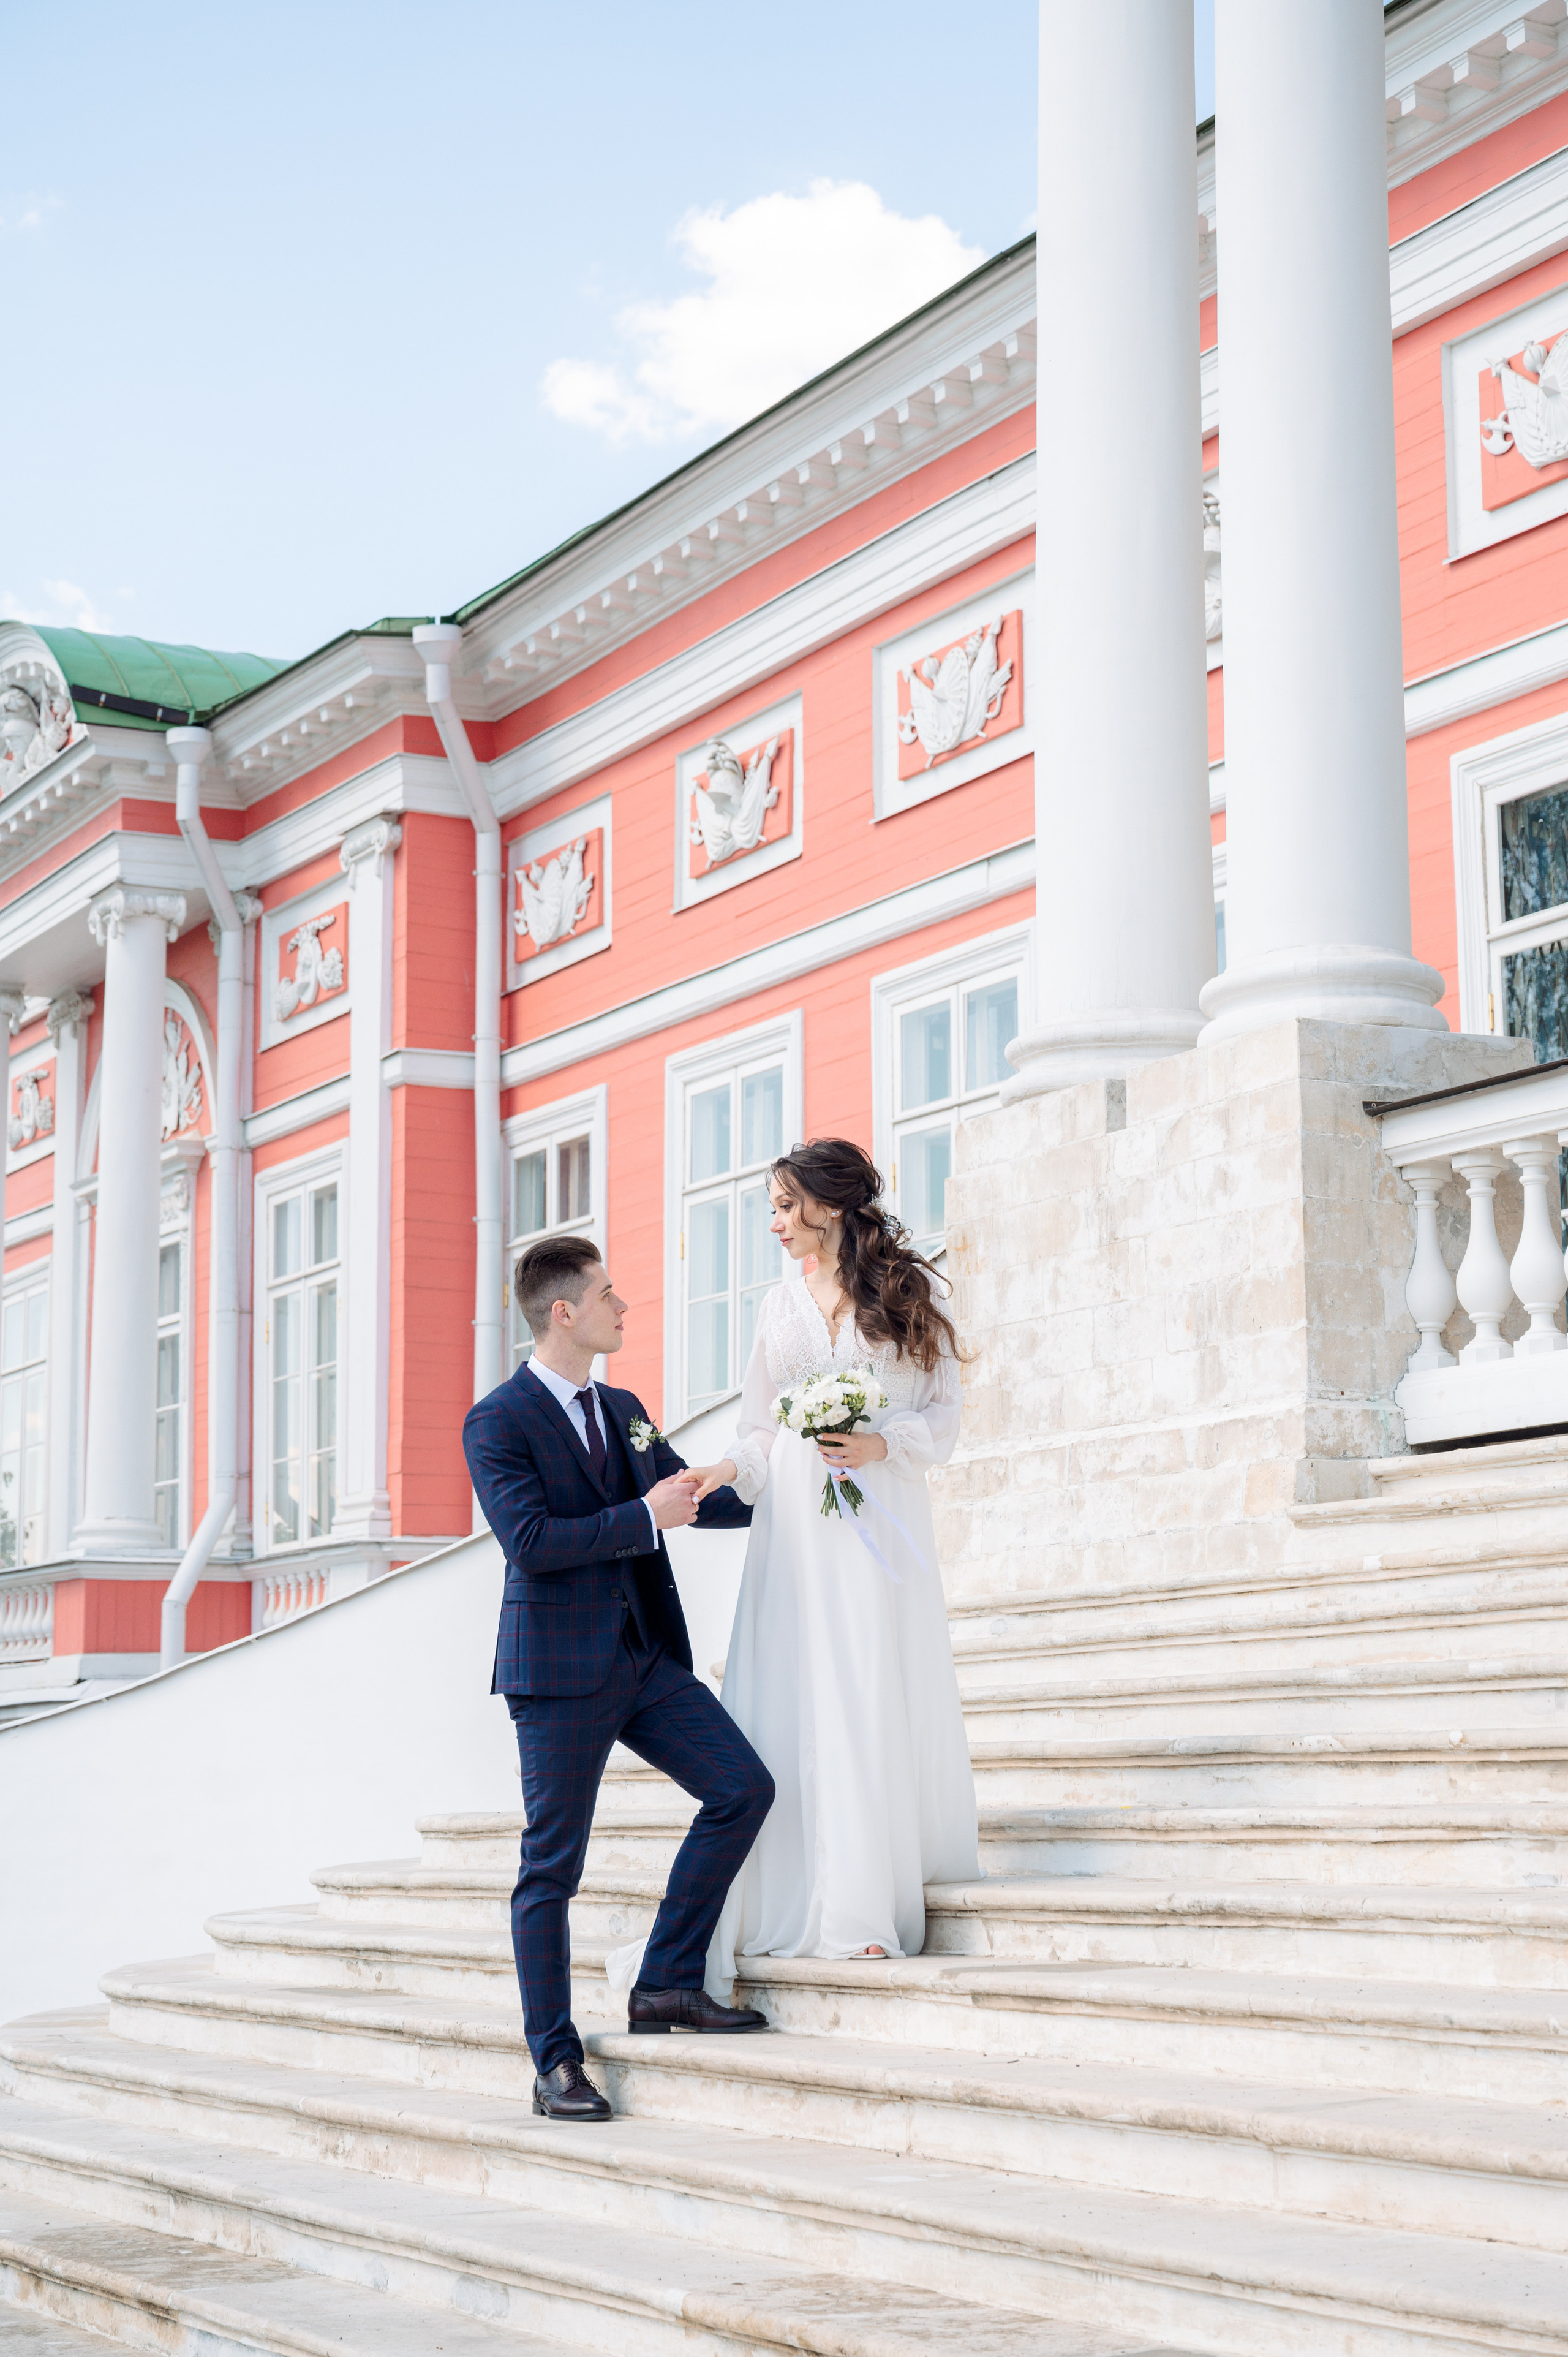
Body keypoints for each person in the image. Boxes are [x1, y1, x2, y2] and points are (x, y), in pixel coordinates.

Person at [463, 1235, 774, 2124]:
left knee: (742, 1788)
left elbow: (687, 1495)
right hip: (557, 1674)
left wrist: (795, 1484)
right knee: (551, 1869)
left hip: (643, 1658)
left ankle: (668, 1983)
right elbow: (533, 1544)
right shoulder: (498, 1421)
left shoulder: (624, 1405)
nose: (623, 1307)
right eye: (609, 1294)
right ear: (565, 1312)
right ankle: (554, 2061)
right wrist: (643, 1515)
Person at [689, 1137, 979, 1977]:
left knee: (864, 1679)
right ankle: (788, 1892)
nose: (774, 1222)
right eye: (773, 1208)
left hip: (876, 1517)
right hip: (794, 1528)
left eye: (786, 1205)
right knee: (795, 1689)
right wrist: (725, 1471)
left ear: (833, 1204)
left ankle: (860, 1902)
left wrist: (882, 1447)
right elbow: (757, 1428)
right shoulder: (777, 1309)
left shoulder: (904, 1290)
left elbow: (944, 1413)